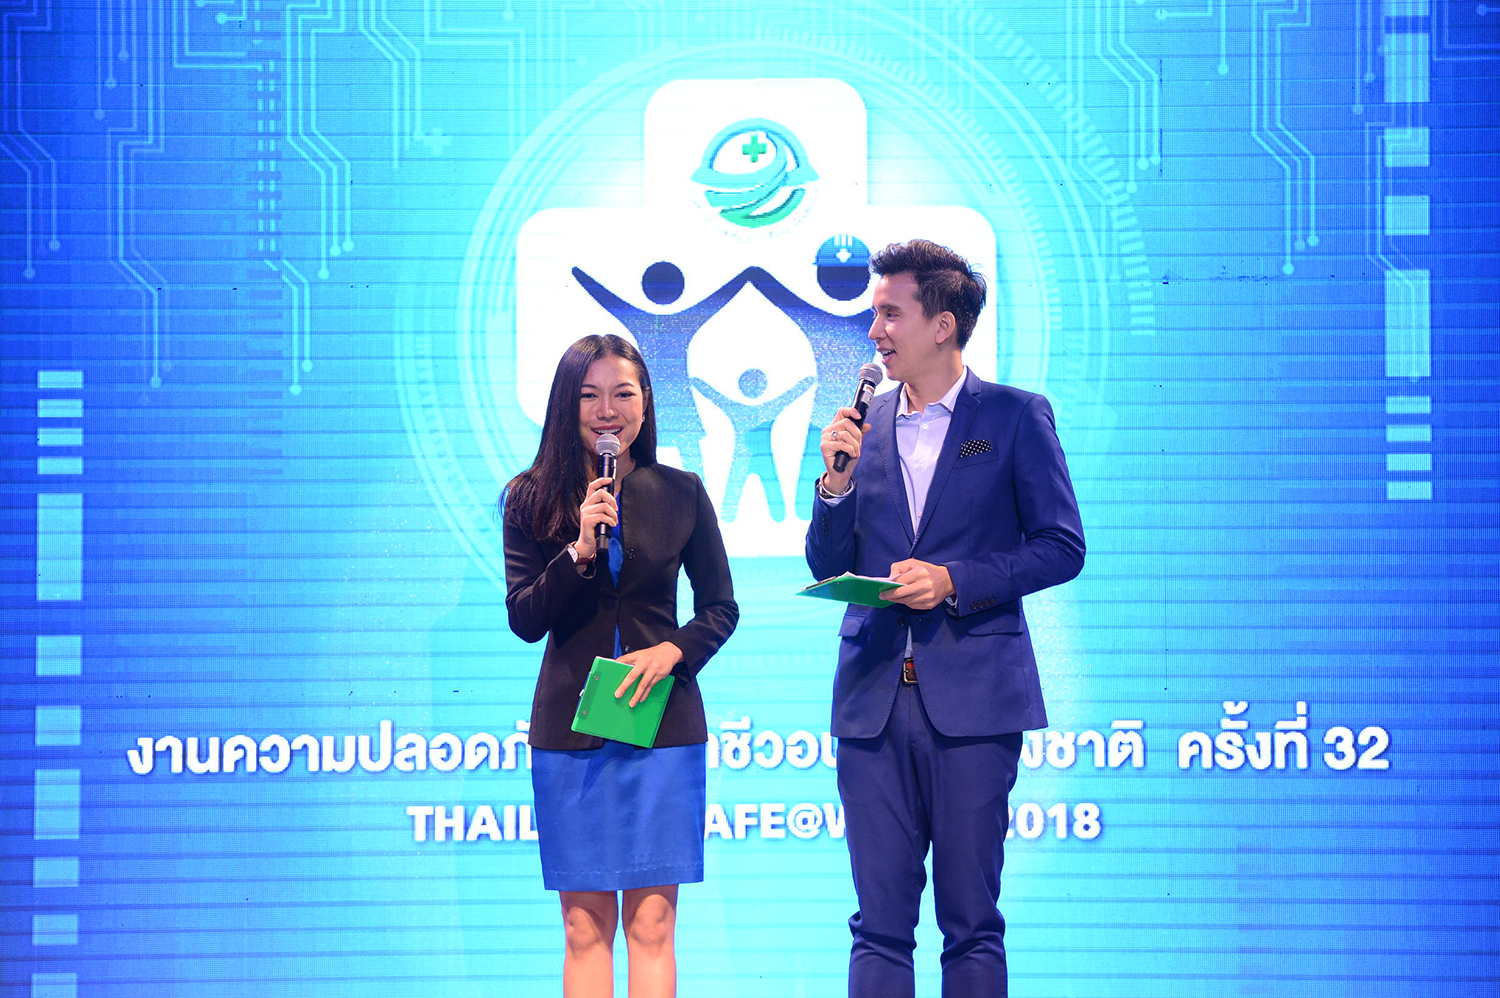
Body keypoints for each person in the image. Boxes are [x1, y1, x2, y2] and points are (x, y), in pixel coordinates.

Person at [805, 239, 1085, 997]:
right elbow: (827, 565)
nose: (874, 332)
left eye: (890, 314)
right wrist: (834, 489)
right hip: (871, 703)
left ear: (943, 324)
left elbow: (1061, 547)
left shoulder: (1015, 417)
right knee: (878, 926)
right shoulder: (863, 425)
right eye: (874, 316)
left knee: (971, 923)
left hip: (974, 702)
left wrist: (954, 580)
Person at [502, 333, 738, 998]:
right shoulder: (529, 498)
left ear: (645, 402)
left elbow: (720, 608)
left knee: (653, 923)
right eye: (590, 395)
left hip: (659, 724)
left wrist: (673, 651)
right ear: (566, 404)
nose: (608, 410)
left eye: (623, 394)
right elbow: (525, 618)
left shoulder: (682, 492)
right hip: (571, 731)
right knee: (584, 927)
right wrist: (579, 550)